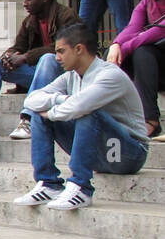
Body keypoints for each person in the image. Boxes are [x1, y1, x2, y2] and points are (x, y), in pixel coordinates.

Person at [15, 23, 148, 210]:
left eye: (61, 51)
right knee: (38, 115)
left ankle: (81, 188)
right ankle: (48, 183)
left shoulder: (110, 75)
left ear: (79, 49)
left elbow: (79, 106)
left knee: (87, 113)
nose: (57, 57)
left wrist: (54, 110)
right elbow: (31, 100)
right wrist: (61, 99)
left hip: (127, 154)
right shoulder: (71, 76)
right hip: (99, 153)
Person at [0, 0, 79, 138]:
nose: (24, 3)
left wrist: (25, 57)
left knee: (48, 58)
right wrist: (8, 56)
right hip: (38, 75)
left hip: (62, 73)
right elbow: (19, 46)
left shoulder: (67, 16)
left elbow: (63, 49)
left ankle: (28, 118)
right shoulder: (30, 21)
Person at [107, 0, 165, 140]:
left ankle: (147, 121)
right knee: (140, 53)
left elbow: (158, 31)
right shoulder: (146, 3)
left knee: (139, 49)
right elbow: (132, 27)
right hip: (156, 69)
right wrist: (116, 44)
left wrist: (124, 48)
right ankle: (143, 120)